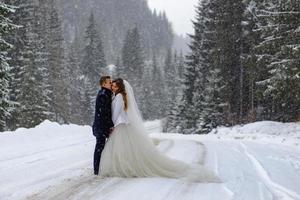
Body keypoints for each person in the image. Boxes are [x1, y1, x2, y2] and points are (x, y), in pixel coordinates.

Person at [99, 78, 221, 182]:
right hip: (124, 126)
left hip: (121, 126)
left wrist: (112, 125)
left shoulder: (119, 96)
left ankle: (125, 168)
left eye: (114, 86)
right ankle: (127, 167)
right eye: (112, 86)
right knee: (127, 150)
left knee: (121, 150)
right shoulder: (120, 95)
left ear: (119, 87)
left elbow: (116, 114)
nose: (113, 87)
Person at [92, 76, 114, 175]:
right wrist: (110, 125)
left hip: (101, 125)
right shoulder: (103, 95)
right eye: (109, 82)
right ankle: (97, 169)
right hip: (100, 126)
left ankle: (99, 167)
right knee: (99, 147)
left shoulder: (106, 94)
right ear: (103, 84)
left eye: (111, 82)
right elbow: (104, 113)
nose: (111, 84)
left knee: (101, 146)